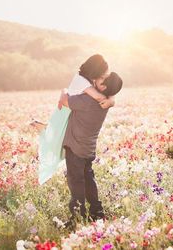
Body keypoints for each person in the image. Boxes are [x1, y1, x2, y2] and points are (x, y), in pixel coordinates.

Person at [36, 54, 115, 185]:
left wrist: (111, 100)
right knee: (56, 144)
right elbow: (99, 97)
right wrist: (110, 101)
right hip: (66, 113)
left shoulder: (85, 79)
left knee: (58, 142)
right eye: (103, 75)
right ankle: (45, 129)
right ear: (96, 71)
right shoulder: (82, 81)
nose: (104, 79)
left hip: (70, 111)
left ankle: (46, 128)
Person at [58, 72, 123, 230]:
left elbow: (64, 100)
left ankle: (77, 219)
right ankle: (97, 212)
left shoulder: (87, 100)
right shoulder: (105, 102)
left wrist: (64, 90)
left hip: (76, 147)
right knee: (88, 179)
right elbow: (110, 97)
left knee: (76, 183)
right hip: (88, 147)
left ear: (104, 86)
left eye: (100, 79)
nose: (95, 79)